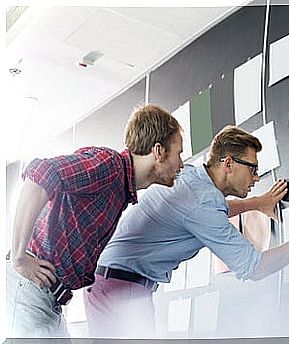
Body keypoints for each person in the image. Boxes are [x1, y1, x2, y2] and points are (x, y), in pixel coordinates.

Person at [84, 125, 289, 338]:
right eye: (253, 169)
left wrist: (256, 203)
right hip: (119, 289)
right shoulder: (200, 201)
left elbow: (210, 212)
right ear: (229, 164)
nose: (255, 178)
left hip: (114, 284)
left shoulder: (194, 178)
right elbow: (255, 267)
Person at [6, 104, 184, 338]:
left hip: (48, 297)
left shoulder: (120, 188)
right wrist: (19, 257)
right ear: (159, 152)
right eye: (178, 153)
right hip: (30, 288)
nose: (180, 164)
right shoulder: (109, 166)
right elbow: (41, 174)